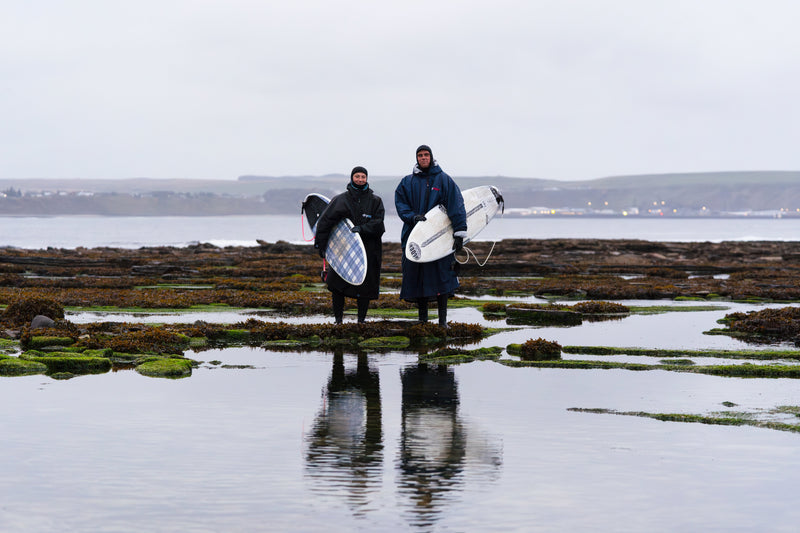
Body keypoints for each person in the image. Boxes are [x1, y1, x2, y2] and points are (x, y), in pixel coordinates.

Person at [395, 145, 467, 327]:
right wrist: (412, 217)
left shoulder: (444, 180)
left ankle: (443, 321)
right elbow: (401, 204)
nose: (423, 158)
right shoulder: (407, 182)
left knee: (442, 277)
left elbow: (456, 206)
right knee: (418, 278)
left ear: (432, 157)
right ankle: (423, 319)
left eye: (426, 155)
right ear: (416, 158)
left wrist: (459, 233)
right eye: (420, 155)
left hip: (440, 240)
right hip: (415, 237)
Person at [314, 166, 385, 324]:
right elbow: (325, 223)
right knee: (337, 285)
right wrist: (321, 245)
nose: (360, 179)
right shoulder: (341, 200)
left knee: (365, 287)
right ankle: (338, 320)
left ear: (367, 179)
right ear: (352, 178)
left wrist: (363, 229)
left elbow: (379, 224)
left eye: (363, 177)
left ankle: (361, 321)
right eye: (357, 176)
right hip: (343, 249)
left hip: (368, 249)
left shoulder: (375, 201)